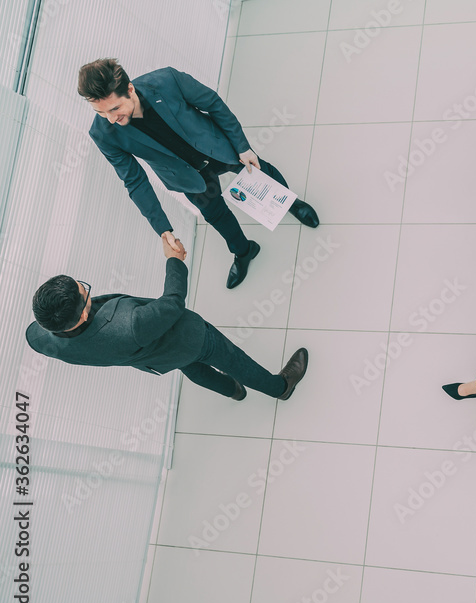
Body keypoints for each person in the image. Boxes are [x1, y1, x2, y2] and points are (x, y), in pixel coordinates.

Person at [78, 58, 321, 289]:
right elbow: (134, 181)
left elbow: (213, 104)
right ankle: (244, 251)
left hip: (217, 148)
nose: (110, 119)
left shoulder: (166, 80)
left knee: (261, 174)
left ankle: (291, 203)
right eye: (101, 113)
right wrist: (163, 228)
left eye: (114, 108)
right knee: (215, 214)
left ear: (129, 89)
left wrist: (243, 147)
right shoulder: (102, 134)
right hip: (185, 176)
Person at [25, 236, 309, 401]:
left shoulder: (39, 337)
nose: (86, 288)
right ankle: (280, 388)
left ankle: (233, 391)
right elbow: (172, 304)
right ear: (84, 311)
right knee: (232, 360)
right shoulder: (129, 326)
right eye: (83, 290)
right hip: (189, 337)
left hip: (155, 359)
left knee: (193, 369)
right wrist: (174, 259)